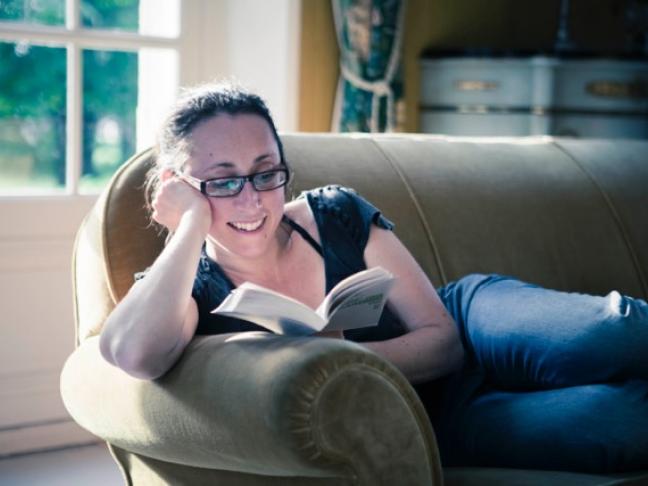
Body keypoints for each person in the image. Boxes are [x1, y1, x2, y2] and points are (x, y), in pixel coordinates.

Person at [99, 81, 648, 474]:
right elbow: (131, 354)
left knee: (613, 330)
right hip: (432, 421)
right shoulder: (188, 286)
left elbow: (444, 341)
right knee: (618, 421)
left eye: (266, 173)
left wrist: (348, 358)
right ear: (177, 187)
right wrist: (191, 226)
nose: (252, 201)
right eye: (222, 183)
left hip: (472, 323)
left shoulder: (334, 214)